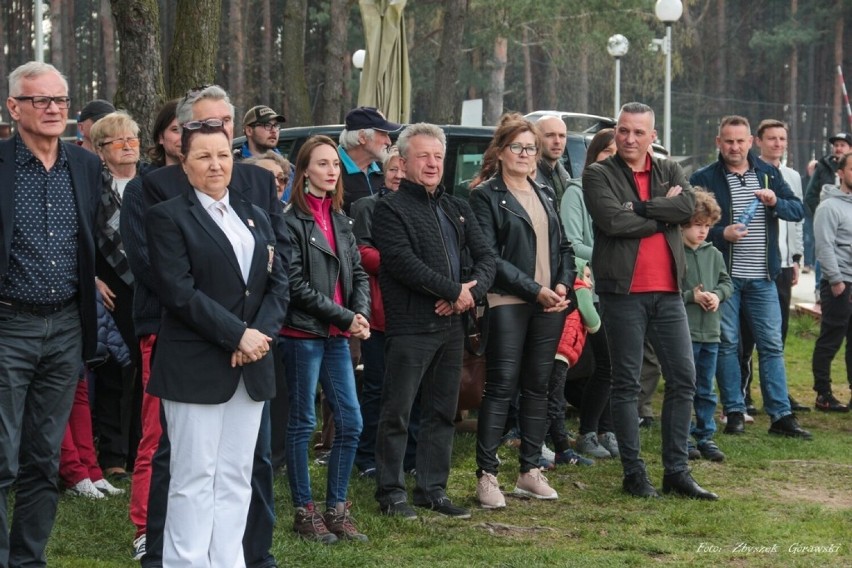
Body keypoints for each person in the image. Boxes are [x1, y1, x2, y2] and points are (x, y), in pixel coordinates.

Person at [140, 85, 288, 568]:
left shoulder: (253, 214)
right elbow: (178, 292)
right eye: (203, 156)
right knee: (192, 477)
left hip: (251, 364)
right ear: (184, 162)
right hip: (196, 365)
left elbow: (277, 282)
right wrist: (236, 335)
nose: (215, 165)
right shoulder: (167, 217)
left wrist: (258, 338)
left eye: (223, 155)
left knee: (236, 476)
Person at [583, 102, 717, 500]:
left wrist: (640, 209)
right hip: (622, 293)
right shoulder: (597, 173)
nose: (629, 138)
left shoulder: (670, 170)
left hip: (669, 293)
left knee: (683, 379)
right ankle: (634, 473)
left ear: (652, 136)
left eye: (639, 132)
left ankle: (677, 471)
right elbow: (611, 221)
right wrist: (663, 216)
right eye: (624, 130)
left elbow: (685, 207)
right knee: (626, 384)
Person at [0, 61, 102, 567]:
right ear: (14, 107)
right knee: (1, 457)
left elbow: (98, 242)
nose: (53, 108)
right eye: (40, 100)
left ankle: (28, 561)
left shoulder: (84, 165)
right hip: (9, 325)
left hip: (65, 326)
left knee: (42, 460)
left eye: (60, 99)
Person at [373, 123, 496, 519]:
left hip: (451, 326)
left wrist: (466, 296)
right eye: (423, 156)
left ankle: (432, 489)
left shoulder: (456, 207)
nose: (432, 163)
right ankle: (391, 493)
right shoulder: (389, 208)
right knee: (398, 412)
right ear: (403, 161)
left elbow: (487, 259)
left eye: (438, 156)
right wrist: (452, 291)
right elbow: (401, 262)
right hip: (410, 327)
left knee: (442, 411)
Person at [468, 113, 574, 509]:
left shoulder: (545, 190)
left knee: (538, 386)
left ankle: (530, 470)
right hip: (508, 302)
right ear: (500, 151)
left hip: (551, 303)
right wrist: (535, 290)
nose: (526, 154)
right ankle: (487, 475)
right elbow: (489, 258)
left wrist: (561, 284)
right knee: (500, 387)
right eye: (518, 147)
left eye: (531, 148)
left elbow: (563, 247)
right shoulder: (485, 196)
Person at [690, 115, 811, 440]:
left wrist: (775, 203)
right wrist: (720, 233)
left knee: (771, 346)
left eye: (740, 141)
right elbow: (687, 224)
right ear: (719, 143)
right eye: (728, 141)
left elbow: (798, 210)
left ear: (750, 142)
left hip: (764, 277)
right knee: (728, 345)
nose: (735, 147)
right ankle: (734, 412)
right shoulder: (704, 177)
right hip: (724, 280)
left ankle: (781, 415)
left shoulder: (768, 174)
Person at [279, 135, 371, 543]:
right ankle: (305, 512)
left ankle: (337, 509)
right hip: (303, 334)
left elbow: (360, 273)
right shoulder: (290, 220)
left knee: (350, 421)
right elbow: (295, 285)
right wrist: (346, 316)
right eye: (322, 164)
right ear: (305, 171)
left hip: (337, 334)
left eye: (335, 164)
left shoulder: (339, 218)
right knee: (303, 422)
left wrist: (360, 314)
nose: (332, 171)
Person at [121, 99, 180, 561]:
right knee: (157, 430)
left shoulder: (214, 185)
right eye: (176, 130)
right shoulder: (141, 190)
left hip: (212, 330)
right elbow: (143, 262)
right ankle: (145, 526)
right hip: (161, 324)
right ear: (161, 137)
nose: (185, 137)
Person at [351, 146, 420, 478]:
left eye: (403, 169)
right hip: (379, 313)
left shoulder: (420, 206)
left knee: (412, 390)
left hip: (414, 314)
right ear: (383, 172)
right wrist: (405, 261)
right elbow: (361, 254)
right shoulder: (367, 206)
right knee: (377, 387)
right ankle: (367, 457)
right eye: (392, 169)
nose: (398, 175)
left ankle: (410, 458)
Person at [556, 127, 618, 459]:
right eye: (607, 152)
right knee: (598, 364)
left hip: (618, 291)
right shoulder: (576, 193)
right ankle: (589, 431)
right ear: (593, 156)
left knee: (611, 364)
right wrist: (613, 256)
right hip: (587, 292)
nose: (614, 158)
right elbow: (570, 243)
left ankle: (605, 430)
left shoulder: (623, 195)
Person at [740, 119, 808, 414]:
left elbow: (797, 217)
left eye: (782, 138)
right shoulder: (752, 171)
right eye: (772, 139)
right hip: (754, 263)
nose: (778, 144)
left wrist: (796, 259)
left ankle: (777, 395)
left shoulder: (791, 175)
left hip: (782, 263)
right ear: (758, 141)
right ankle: (744, 394)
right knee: (746, 335)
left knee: (776, 334)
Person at [89, 110, 143, 480]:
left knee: (147, 371)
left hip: (153, 287)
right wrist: (91, 278)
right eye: (117, 141)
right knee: (113, 370)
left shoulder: (155, 182)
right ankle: (112, 455)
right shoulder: (91, 185)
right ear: (100, 149)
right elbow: (77, 235)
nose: (127, 146)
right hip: (110, 287)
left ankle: (142, 450)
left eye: (132, 138)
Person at [60, 289, 131, 499]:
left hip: (73, 309)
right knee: (55, 397)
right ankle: (74, 474)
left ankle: (91, 471)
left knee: (78, 391)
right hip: (41, 313)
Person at [680, 189, 733, 462]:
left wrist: (717, 295)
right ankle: (684, 436)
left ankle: (705, 435)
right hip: (685, 332)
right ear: (683, 224)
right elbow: (670, 291)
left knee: (706, 388)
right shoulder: (674, 253)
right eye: (697, 225)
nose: (702, 231)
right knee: (685, 387)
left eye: (707, 226)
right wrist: (692, 296)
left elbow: (726, 282)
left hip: (711, 332)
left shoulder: (714, 254)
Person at [810, 151, 852, 412]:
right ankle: (823, 393)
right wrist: (836, 281)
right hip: (839, 284)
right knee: (831, 338)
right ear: (840, 172)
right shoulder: (829, 206)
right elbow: (824, 247)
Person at [338, 106, 401, 213]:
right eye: (383, 134)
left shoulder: (385, 168)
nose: (389, 142)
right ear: (362, 137)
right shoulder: (332, 169)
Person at [535, 115, 570, 203]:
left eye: (562, 136)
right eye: (550, 135)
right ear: (536, 138)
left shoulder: (565, 177)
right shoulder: (526, 175)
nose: (557, 141)